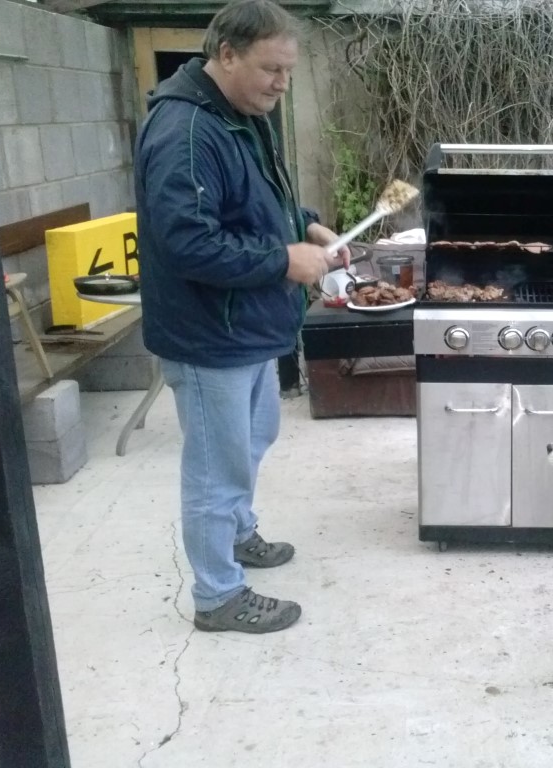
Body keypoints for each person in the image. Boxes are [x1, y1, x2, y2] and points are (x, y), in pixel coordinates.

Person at [134, 0, 349, 633]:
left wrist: (302, 220)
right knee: (215, 465)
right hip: (209, 333)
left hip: (245, 325)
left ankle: (238, 532)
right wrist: (287, 260)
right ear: (226, 54)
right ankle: (217, 596)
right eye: (270, 69)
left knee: (251, 441)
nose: (282, 84)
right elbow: (189, 243)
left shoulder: (239, 115)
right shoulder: (187, 132)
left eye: (288, 71)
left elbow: (255, 198)